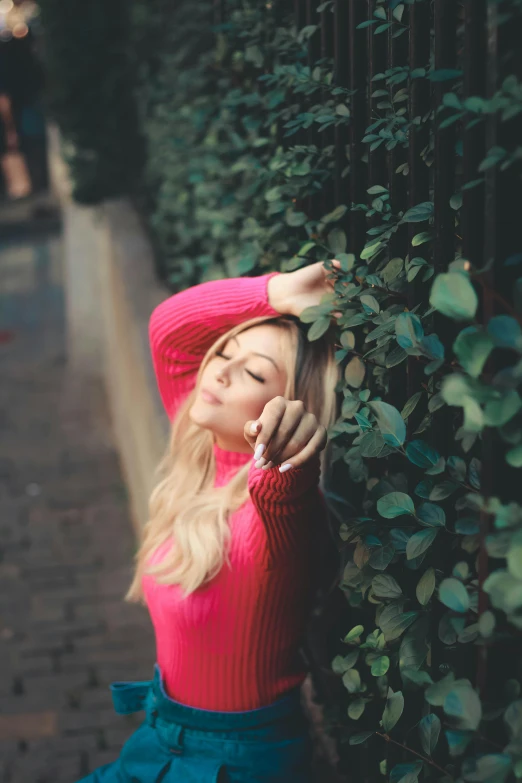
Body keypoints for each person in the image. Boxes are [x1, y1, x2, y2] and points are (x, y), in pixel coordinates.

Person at [78, 260, 340, 783]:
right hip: (163, 730)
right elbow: (169, 329)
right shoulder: (203, 453)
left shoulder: (270, 516)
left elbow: (285, 490)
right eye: (223, 351)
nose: (218, 369)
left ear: (292, 405)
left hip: (239, 762)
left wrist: (286, 454)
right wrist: (280, 291)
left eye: (253, 373)